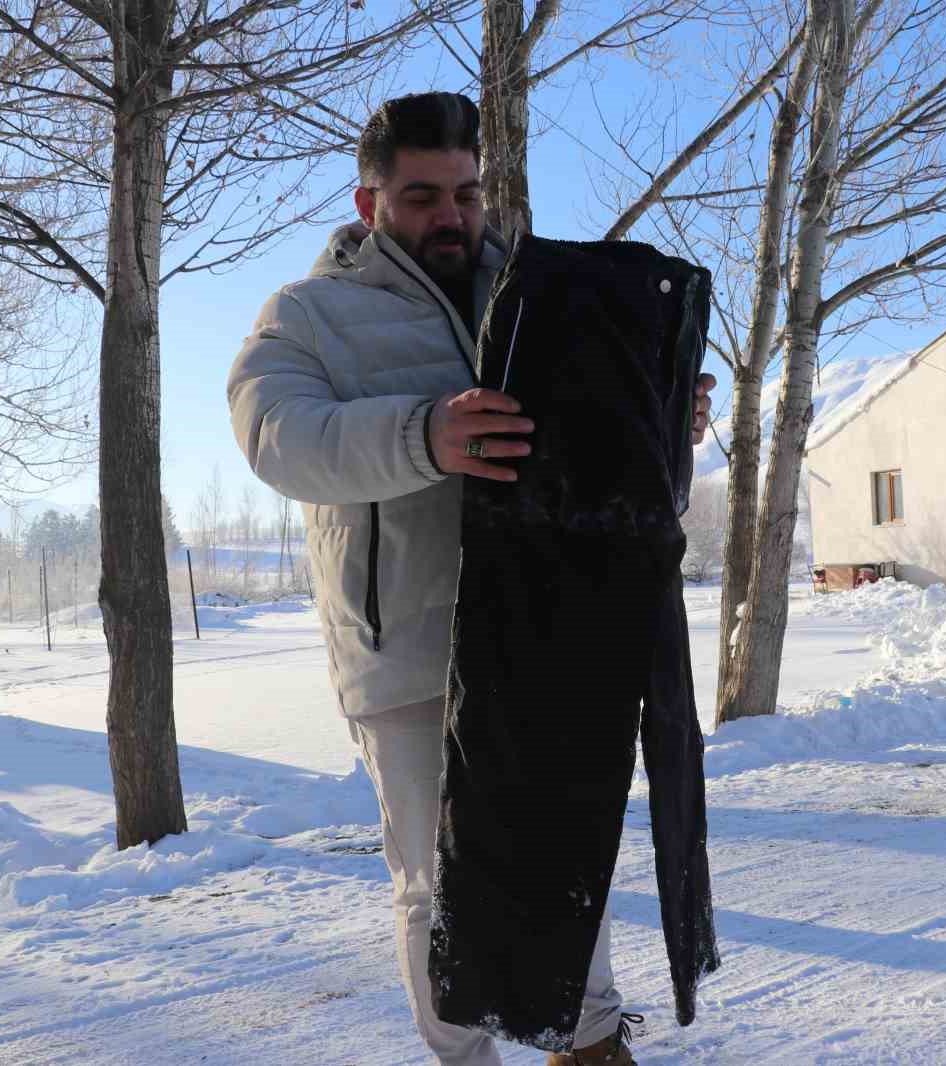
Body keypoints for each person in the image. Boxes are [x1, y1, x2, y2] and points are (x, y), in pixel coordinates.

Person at [227, 91, 715, 1066]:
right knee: (436, 882)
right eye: (420, 197)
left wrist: (664, 419)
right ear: (369, 203)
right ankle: (465, 1061)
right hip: (406, 646)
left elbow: (596, 452)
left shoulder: (540, 294)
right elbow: (275, 436)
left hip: (545, 623)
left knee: (567, 843)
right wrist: (426, 433)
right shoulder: (309, 315)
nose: (449, 215)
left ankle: (586, 1041)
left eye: (465, 193)